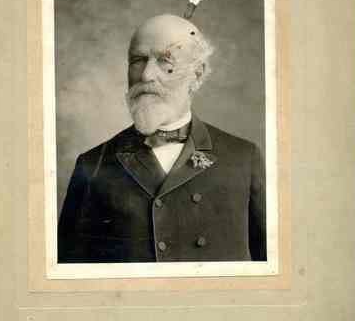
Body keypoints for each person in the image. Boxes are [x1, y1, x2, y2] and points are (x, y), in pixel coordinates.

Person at [58, 14, 266, 263]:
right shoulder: (92, 165)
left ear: (197, 74)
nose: (146, 75)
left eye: (165, 61)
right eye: (138, 60)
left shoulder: (243, 159)